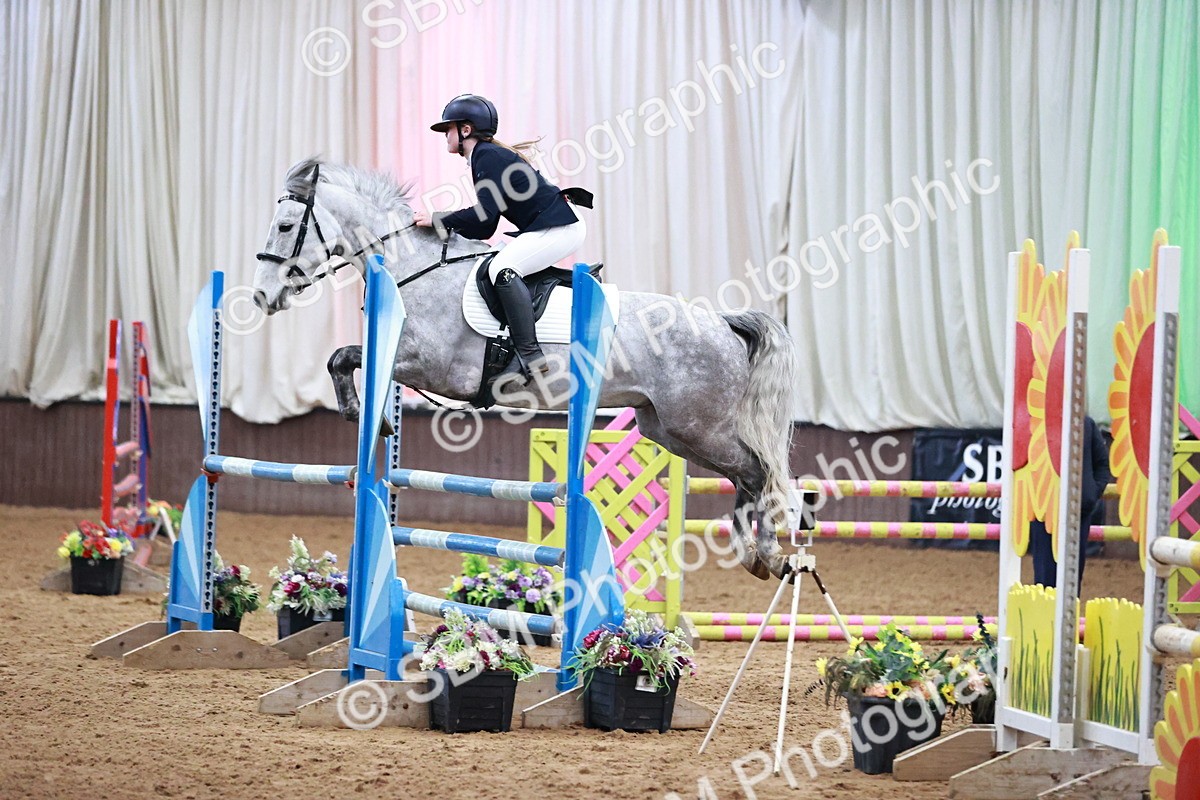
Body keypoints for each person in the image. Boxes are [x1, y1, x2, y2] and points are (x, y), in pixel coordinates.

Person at [413, 94, 586, 381]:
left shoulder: (486, 156)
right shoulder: (484, 157)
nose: (445, 136)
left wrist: (438, 219)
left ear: (465, 130)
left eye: (448, 129)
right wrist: (442, 226)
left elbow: (484, 217)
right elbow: (486, 227)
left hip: (561, 227)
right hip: (551, 226)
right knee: (498, 265)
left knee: (502, 270)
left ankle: (529, 355)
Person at [1028, 416, 1112, 595]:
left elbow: (1102, 463)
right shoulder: (1037, 420)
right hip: (1044, 509)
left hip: (1078, 511)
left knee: (1072, 575)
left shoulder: (1086, 423)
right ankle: (1046, 618)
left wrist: (1090, 493)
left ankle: (1067, 618)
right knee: (1045, 575)